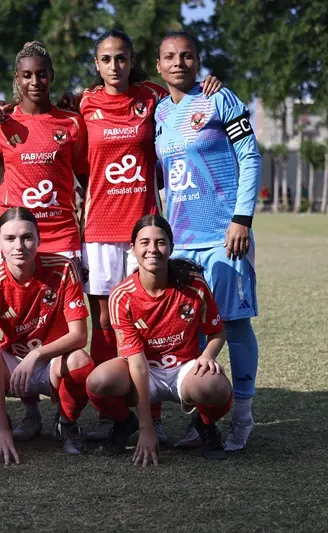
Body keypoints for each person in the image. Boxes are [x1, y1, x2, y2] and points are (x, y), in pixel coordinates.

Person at [76, 30, 221, 443]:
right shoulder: (84, 103)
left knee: (154, 312)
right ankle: (114, 414)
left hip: (145, 227)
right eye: (106, 59)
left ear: (133, 60)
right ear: (97, 64)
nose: (114, 66)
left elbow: (188, 93)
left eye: (121, 58)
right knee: (105, 320)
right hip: (100, 228)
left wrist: (212, 85)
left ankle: (153, 413)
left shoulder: (151, 96)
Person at [154, 31, 261, 452]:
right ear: (159, 66)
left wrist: (242, 219)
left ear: (198, 61)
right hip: (180, 242)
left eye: (187, 55)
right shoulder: (159, 112)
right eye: (169, 57)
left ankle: (244, 417)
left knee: (233, 325)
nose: (178, 62)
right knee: (192, 333)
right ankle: (204, 420)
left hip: (224, 236)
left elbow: (250, 156)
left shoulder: (221, 99)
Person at [0, 42, 88, 442]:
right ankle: (28, 411)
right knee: (15, 323)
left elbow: (87, 176)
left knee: (62, 328)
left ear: (52, 76)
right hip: (15, 238)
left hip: (61, 238)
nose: (35, 81)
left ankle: (67, 419)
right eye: (27, 74)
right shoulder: (0, 125)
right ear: (17, 79)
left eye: (42, 73)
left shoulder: (72, 123)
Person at [86, 215, 233, 463]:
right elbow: (137, 363)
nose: (152, 249)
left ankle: (205, 425)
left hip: (184, 370)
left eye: (160, 242)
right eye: (144, 242)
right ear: (132, 249)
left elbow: (217, 331)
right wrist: (147, 428)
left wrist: (207, 356)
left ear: (171, 247)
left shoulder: (194, 286)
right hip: (142, 370)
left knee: (216, 387)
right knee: (99, 381)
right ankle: (125, 423)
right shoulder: (121, 296)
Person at [0, 208, 93, 465]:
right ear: (0, 245)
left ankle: (66, 422)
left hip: (51, 360)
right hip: (11, 366)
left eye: (27, 237)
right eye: (10, 239)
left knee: (80, 361)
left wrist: (37, 354)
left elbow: (79, 335)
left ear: (39, 240)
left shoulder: (63, 268)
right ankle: (9, 419)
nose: (19, 246)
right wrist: (1, 430)